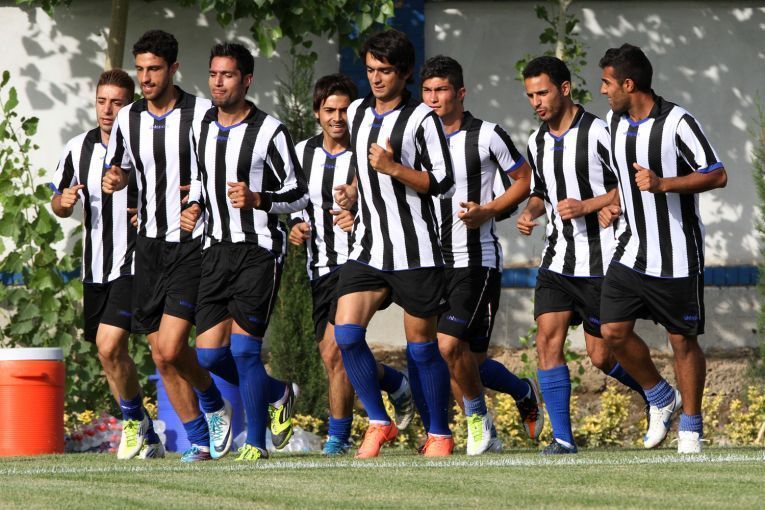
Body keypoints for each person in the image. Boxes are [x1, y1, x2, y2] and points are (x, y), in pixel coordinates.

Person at [102, 30, 232, 462]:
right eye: (140, 69)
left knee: (173, 346)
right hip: (149, 246)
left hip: (192, 244)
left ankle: (213, 402)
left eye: (154, 69)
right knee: (160, 356)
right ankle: (199, 440)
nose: (145, 78)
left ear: (174, 68)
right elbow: (119, 167)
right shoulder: (128, 118)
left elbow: (218, 167)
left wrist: (198, 200)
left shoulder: (202, 114)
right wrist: (116, 179)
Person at [179, 42, 309, 461]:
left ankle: (256, 442)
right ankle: (278, 393)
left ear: (247, 80)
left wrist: (258, 199)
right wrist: (193, 205)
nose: (218, 83)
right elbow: (200, 179)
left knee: (244, 351)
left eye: (228, 75)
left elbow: (299, 194)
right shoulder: (201, 126)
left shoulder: (270, 131)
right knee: (209, 353)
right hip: (215, 250)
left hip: (259, 251)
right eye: (213, 74)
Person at [332, 29, 456, 458]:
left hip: (415, 249)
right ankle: (379, 421)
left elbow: (441, 182)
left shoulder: (423, 118)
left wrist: (393, 168)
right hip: (368, 247)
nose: (376, 78)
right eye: (370, 69)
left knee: (421, 349)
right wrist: (352, 191)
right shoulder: (357, 112)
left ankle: (439, 434)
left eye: (384, 70)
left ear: (404, 73)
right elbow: (360, 167)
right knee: (346, 335)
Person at [598, 44, 727, 454]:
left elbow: (717, 174)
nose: (602, 90)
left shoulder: (677, 122)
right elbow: (621, 178)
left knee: (681, 342)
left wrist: (663, 184)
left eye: (606, 82)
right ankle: (659, 395)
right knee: (612, 332)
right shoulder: (613, 122)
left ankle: (691, 426)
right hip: (631, 250)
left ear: (628, 84)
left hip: (677, 255)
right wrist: (610, 203)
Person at [517, 55, 648, 455]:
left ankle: (655, 392)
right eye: (530, 96)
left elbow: (630, 184)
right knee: (546, 341)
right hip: (557, 259)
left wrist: (597, 206)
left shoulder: (599, 132)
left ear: (565, 88)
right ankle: (562, 439)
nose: (536, 102)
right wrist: (530, 212)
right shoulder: (536, 141)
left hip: (602, 258)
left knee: (601, 355)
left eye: (542, 93)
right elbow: (542, 191)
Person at [419, 55, 543, 455]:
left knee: (449, 346)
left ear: (460, 92)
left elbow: (524, 179)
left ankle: (479, 422)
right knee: (464, 358)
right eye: (427, 90)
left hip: (476, 260)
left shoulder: (488, 135)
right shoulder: (416, 139)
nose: (433, 98)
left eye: (441, 90)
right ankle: (516, 397)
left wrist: (488, 210)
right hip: (430, 262)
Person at [288, 73, 414, 456]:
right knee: (335, 354)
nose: (337, 118)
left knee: (334, 350)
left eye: (344, 110)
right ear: (317, 112)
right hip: (319, 267)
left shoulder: (368, 152)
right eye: (330, 110)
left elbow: (391, 203)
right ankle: (393, 383)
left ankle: (338, 438)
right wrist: (295, 225)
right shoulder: (301, 153)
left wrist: (357, 216)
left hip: (363, 260)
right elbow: (292, 199)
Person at [51, 69, 164, 459]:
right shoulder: (77, 147)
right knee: (109, 355)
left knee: (110, 343)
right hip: (94, 266)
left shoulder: (145, 146)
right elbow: (58, 200)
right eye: (102, 101)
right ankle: (146, 431)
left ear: (130, 105)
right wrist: (63, 203)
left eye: (117, 102)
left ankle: (133, 422)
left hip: (134, 261)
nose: (107, 109)